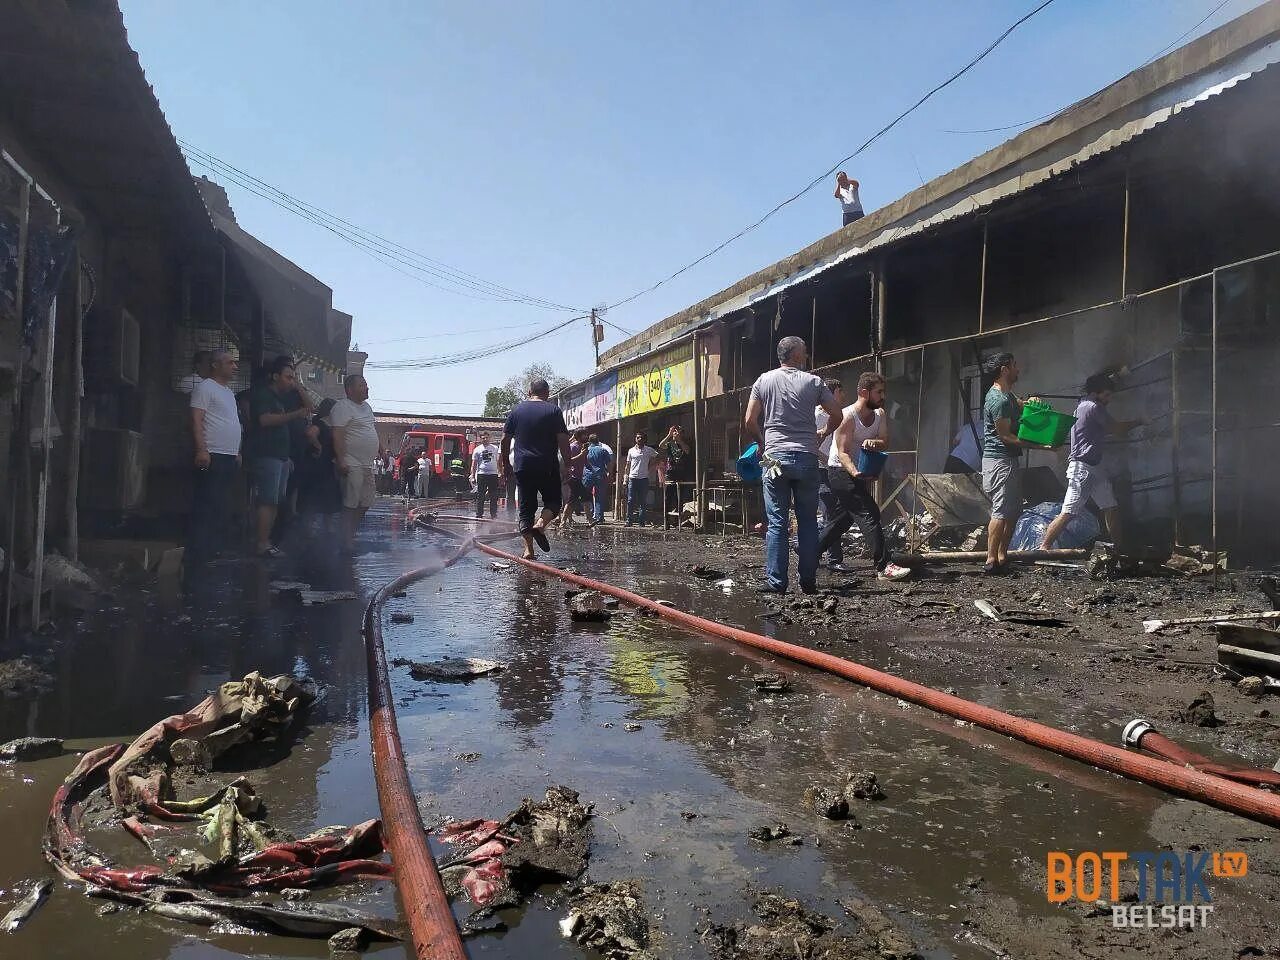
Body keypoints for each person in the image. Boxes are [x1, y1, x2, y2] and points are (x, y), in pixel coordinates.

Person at [744, 336, 843, 594]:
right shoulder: (814, 382)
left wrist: (763, 442)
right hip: (807, 458)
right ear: (796, 356)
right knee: (808, 521)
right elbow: (837, 414)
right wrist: (822, 432)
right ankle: (808, 581)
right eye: (805, 353)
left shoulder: (763, 381)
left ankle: (777, 583)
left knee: (777, 521)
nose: (807, 356)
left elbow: (749, 420)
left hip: (775, 458)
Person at [818, 372, 911, 582]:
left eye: (882, 391)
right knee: (869, 514)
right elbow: (842, 452)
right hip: (840, 471)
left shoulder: (879, 415)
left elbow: (885, 441)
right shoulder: (847, 416)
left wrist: (874, 443)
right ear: (863, 392)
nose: (882, 396)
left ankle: (811, 552)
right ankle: (884, 566)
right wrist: (856, 473)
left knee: (844, 519)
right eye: (878, 392)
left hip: (859, 471)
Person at [1040, 373, 1146, 550]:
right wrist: (1140, 421)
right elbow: (1117, 429)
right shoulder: (1092, 407)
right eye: (1106, 394)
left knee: (1111, 507)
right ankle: (1044, 547)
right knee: (1068, 512)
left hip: (1094, 467)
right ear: (1096, 393)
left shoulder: (1084, 405)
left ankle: (1118, 549)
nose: (1109, 399)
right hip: (1082, 468)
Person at [980, 352, 1055, 574]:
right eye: (1014, 365)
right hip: (999, 461)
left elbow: (1020, 404)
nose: (1018, 369)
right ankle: (991, 561)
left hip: (1008, 460)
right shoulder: (998, 399)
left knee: (1012, 510)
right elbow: (1006, 437)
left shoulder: (1008, 396)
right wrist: (1042, 447)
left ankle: (1002, 557)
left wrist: (1030, 402)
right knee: (1001, 511)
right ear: (1004, 369)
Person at [248, 357, 313, 558]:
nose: (291, 381)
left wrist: (299, 386)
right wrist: (294, 415)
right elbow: (265, 420)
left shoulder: (282, 398)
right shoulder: (264, 395)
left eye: (293, 378)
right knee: (267, 500)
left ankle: (266, 542)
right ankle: (261, 543)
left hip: (281, 457)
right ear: (275, 377)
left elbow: (309, 406)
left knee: (275, 501)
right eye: (288, 377)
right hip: (267, 455)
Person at [500, 378, 571, 559]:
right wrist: (568, 465)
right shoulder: (553, 410)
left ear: (529, 392)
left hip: (523, 466)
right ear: (547, 393)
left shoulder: (517, 410)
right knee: (554, 503)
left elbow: (504, 440)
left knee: (526, 509)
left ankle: (528, 550)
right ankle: (541, 523)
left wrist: (506, 464)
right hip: (547, 465)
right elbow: (563, 439)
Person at [188, 349, 241, 568]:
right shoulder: (204, 388)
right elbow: (196, 419)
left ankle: (216, 549)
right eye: (230, 362)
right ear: (216, 365)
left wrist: (238, 450)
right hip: (212, 454)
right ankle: (200, 552)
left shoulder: (228, 393)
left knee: (222, 503)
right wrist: (202, 449)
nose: (234, 366)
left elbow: (233, 422)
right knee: (208, 503)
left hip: (228, 455)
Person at [330, 374, 379, 551]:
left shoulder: (367, 408)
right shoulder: (343, 406)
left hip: (367, 463)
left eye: (366, 385)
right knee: (351, 502)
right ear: (350, 389)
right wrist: (341, 460)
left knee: (366, 501)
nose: (367, 388)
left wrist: (379, 449)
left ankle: (348, 534)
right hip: (352, 461)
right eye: (362, 385)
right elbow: (338, 434)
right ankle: (345, 539)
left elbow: (370, 429)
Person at [295, 398, 342, 535]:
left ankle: (320, 528)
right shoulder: (321, 423)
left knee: (326, 497)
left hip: (324, 466)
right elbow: (310, 434)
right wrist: (318, 445)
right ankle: (311, 528)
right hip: (318, 467)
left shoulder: (329, 424)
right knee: (316, 496)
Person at [815, 378, 847, 571]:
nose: (843, 396)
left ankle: (812, 551)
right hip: (821, 471)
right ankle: (834, 559)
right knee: (831, 515)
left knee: (830, 515)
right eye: (841, 392)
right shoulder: (819, 416)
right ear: (832, 393)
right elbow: (811, 442)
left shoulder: (834, 414)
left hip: (830, 470)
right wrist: (826, 460)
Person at [624, 432, 661, 526]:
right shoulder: (631, 450)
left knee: (642, 501)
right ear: (635, 439)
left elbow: (658, 457)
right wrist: (625, 478)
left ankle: (641, 521)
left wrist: (651, 466)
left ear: (645, 440)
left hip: (644, 479)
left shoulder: (648, 450)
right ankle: (629, 521)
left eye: (641, 438)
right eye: (637, 437)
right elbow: (628, 465)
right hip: (632, 478)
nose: (639, 439)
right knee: (630, 500)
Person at [659, 424, 692, 523]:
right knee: (668, 497)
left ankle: (678, 520)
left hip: (681, 474)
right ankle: (666, 520)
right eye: (675, 431)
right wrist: (669, 435)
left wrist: (679, 440)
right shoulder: (670, 443)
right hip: (670, 474)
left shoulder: (685, 443)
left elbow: (687, 450)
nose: (676, 433)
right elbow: (661, 445)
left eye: (678, 432)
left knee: (680, 498)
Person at [582, 433, 615, 526]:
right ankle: (599, 517)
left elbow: (582, 462)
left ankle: (589, 516)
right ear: (598, 440)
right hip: (600, 475)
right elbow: (608, 464)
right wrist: (610, 474)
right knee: (599, 497)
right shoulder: (603, 450)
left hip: (588, 475)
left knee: (586, 496)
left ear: (589, 441)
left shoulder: (586, 450)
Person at [558, 429, 588, 526]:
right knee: (570, 499)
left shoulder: (581, 447)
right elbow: (568, 460)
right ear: (579, 436)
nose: (586, 437)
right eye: (584, 435)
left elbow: (585, 461)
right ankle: (563, 521)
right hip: (571, 477)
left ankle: (567, 519)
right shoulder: (573, 447)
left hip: (578, 476)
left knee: (572, 499)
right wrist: (581, 455)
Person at [471, 430, 501, 519]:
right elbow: (474, 464)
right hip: (482, 474)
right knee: (481, 495)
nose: (485, 439)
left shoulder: (495, 448)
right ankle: (479, 514)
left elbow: (498, 461)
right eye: (483, 438)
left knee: (493, 495)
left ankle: (493, 514)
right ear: (481, 439)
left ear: (490, 438)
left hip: (493, 474)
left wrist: (500, 472)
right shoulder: (477, 449)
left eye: (487, 438)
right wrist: (472, 476)